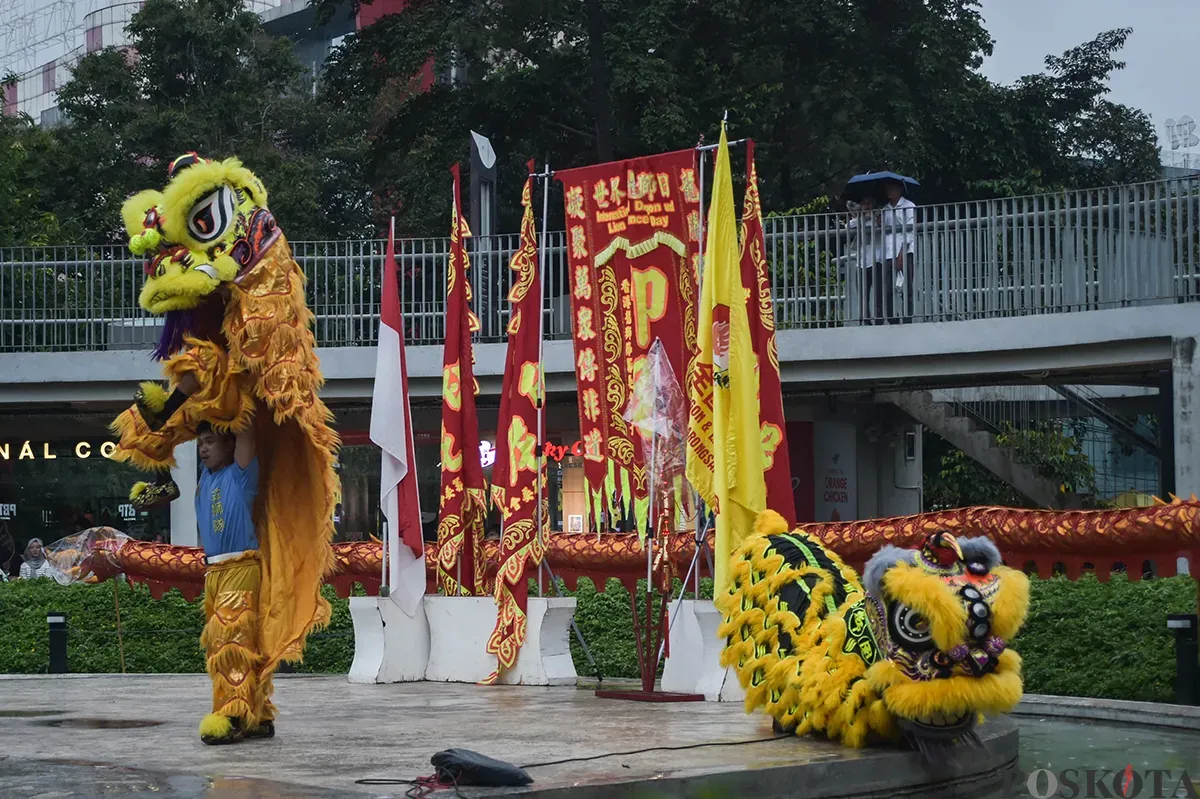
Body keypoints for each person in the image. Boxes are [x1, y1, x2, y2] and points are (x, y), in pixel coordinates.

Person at [193, 419, 273, 746]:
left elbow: (247, 429)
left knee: (232, 644)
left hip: (241, 567)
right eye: (201, 443)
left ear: (229, 445)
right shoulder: (205, 479)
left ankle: (233, 716)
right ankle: (257, 717)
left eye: (211, 441)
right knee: (226, 644)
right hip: (214, 573)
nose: (203, 448)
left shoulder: (240, 474)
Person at [879, 179, 916, 324]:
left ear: (900, 190)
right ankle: (892, 318)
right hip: (888, 252)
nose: (889, 192)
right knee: (887, 289)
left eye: (892, 189)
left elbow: (910, 230)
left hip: (905, 251)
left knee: (907, 287)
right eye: (888, 189)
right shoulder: (885, 209)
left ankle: (908, 318)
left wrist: (902, 252)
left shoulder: (908, 206)